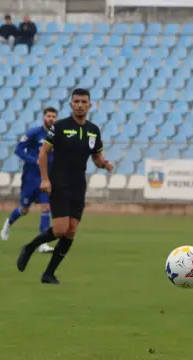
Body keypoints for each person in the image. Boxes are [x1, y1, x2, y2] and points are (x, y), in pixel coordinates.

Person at [16, 89, 114, 284]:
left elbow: (96, 156)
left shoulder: (93, 130)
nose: (79, 105)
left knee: (71, 231)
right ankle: (29, 247)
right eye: (76, 101)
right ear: (71, 105)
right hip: (59, 181)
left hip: (78, 184)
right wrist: (45, 179)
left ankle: (48, 273)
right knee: (60, 229)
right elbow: (43, 153)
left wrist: (104, 164)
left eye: (83, 101)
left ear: (89, 105)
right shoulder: (59, 127)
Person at [0, 107, 58, 253]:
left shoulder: (57, 136)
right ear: (44, 117)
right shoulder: (34, 132)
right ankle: (9, 222)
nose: (51, 119)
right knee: (24, 210)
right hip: (31, 178)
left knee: (46, 207)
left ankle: (42, 244)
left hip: (46, 177)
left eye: (53, 117)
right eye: (49, 116)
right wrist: (34, 160)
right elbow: (18, 150)